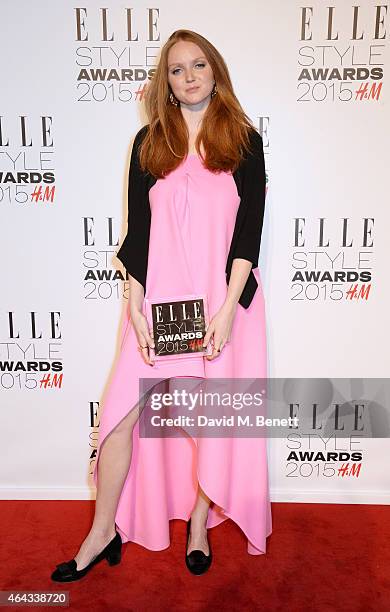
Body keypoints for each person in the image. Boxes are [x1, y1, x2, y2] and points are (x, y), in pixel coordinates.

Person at [51, 28, 271, 582]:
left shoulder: (243, 140)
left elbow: (249, 234)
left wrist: (224, 310)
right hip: (163, 307)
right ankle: (103, 532)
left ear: (215, 71)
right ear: (166, 83)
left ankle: (200, 522)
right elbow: (139, 233)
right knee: (119, 417)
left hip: (221, 307)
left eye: (199, 64)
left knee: (209, 421)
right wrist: (133, 305)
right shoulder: (150, 142)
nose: (190, 75)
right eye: (177, 69)